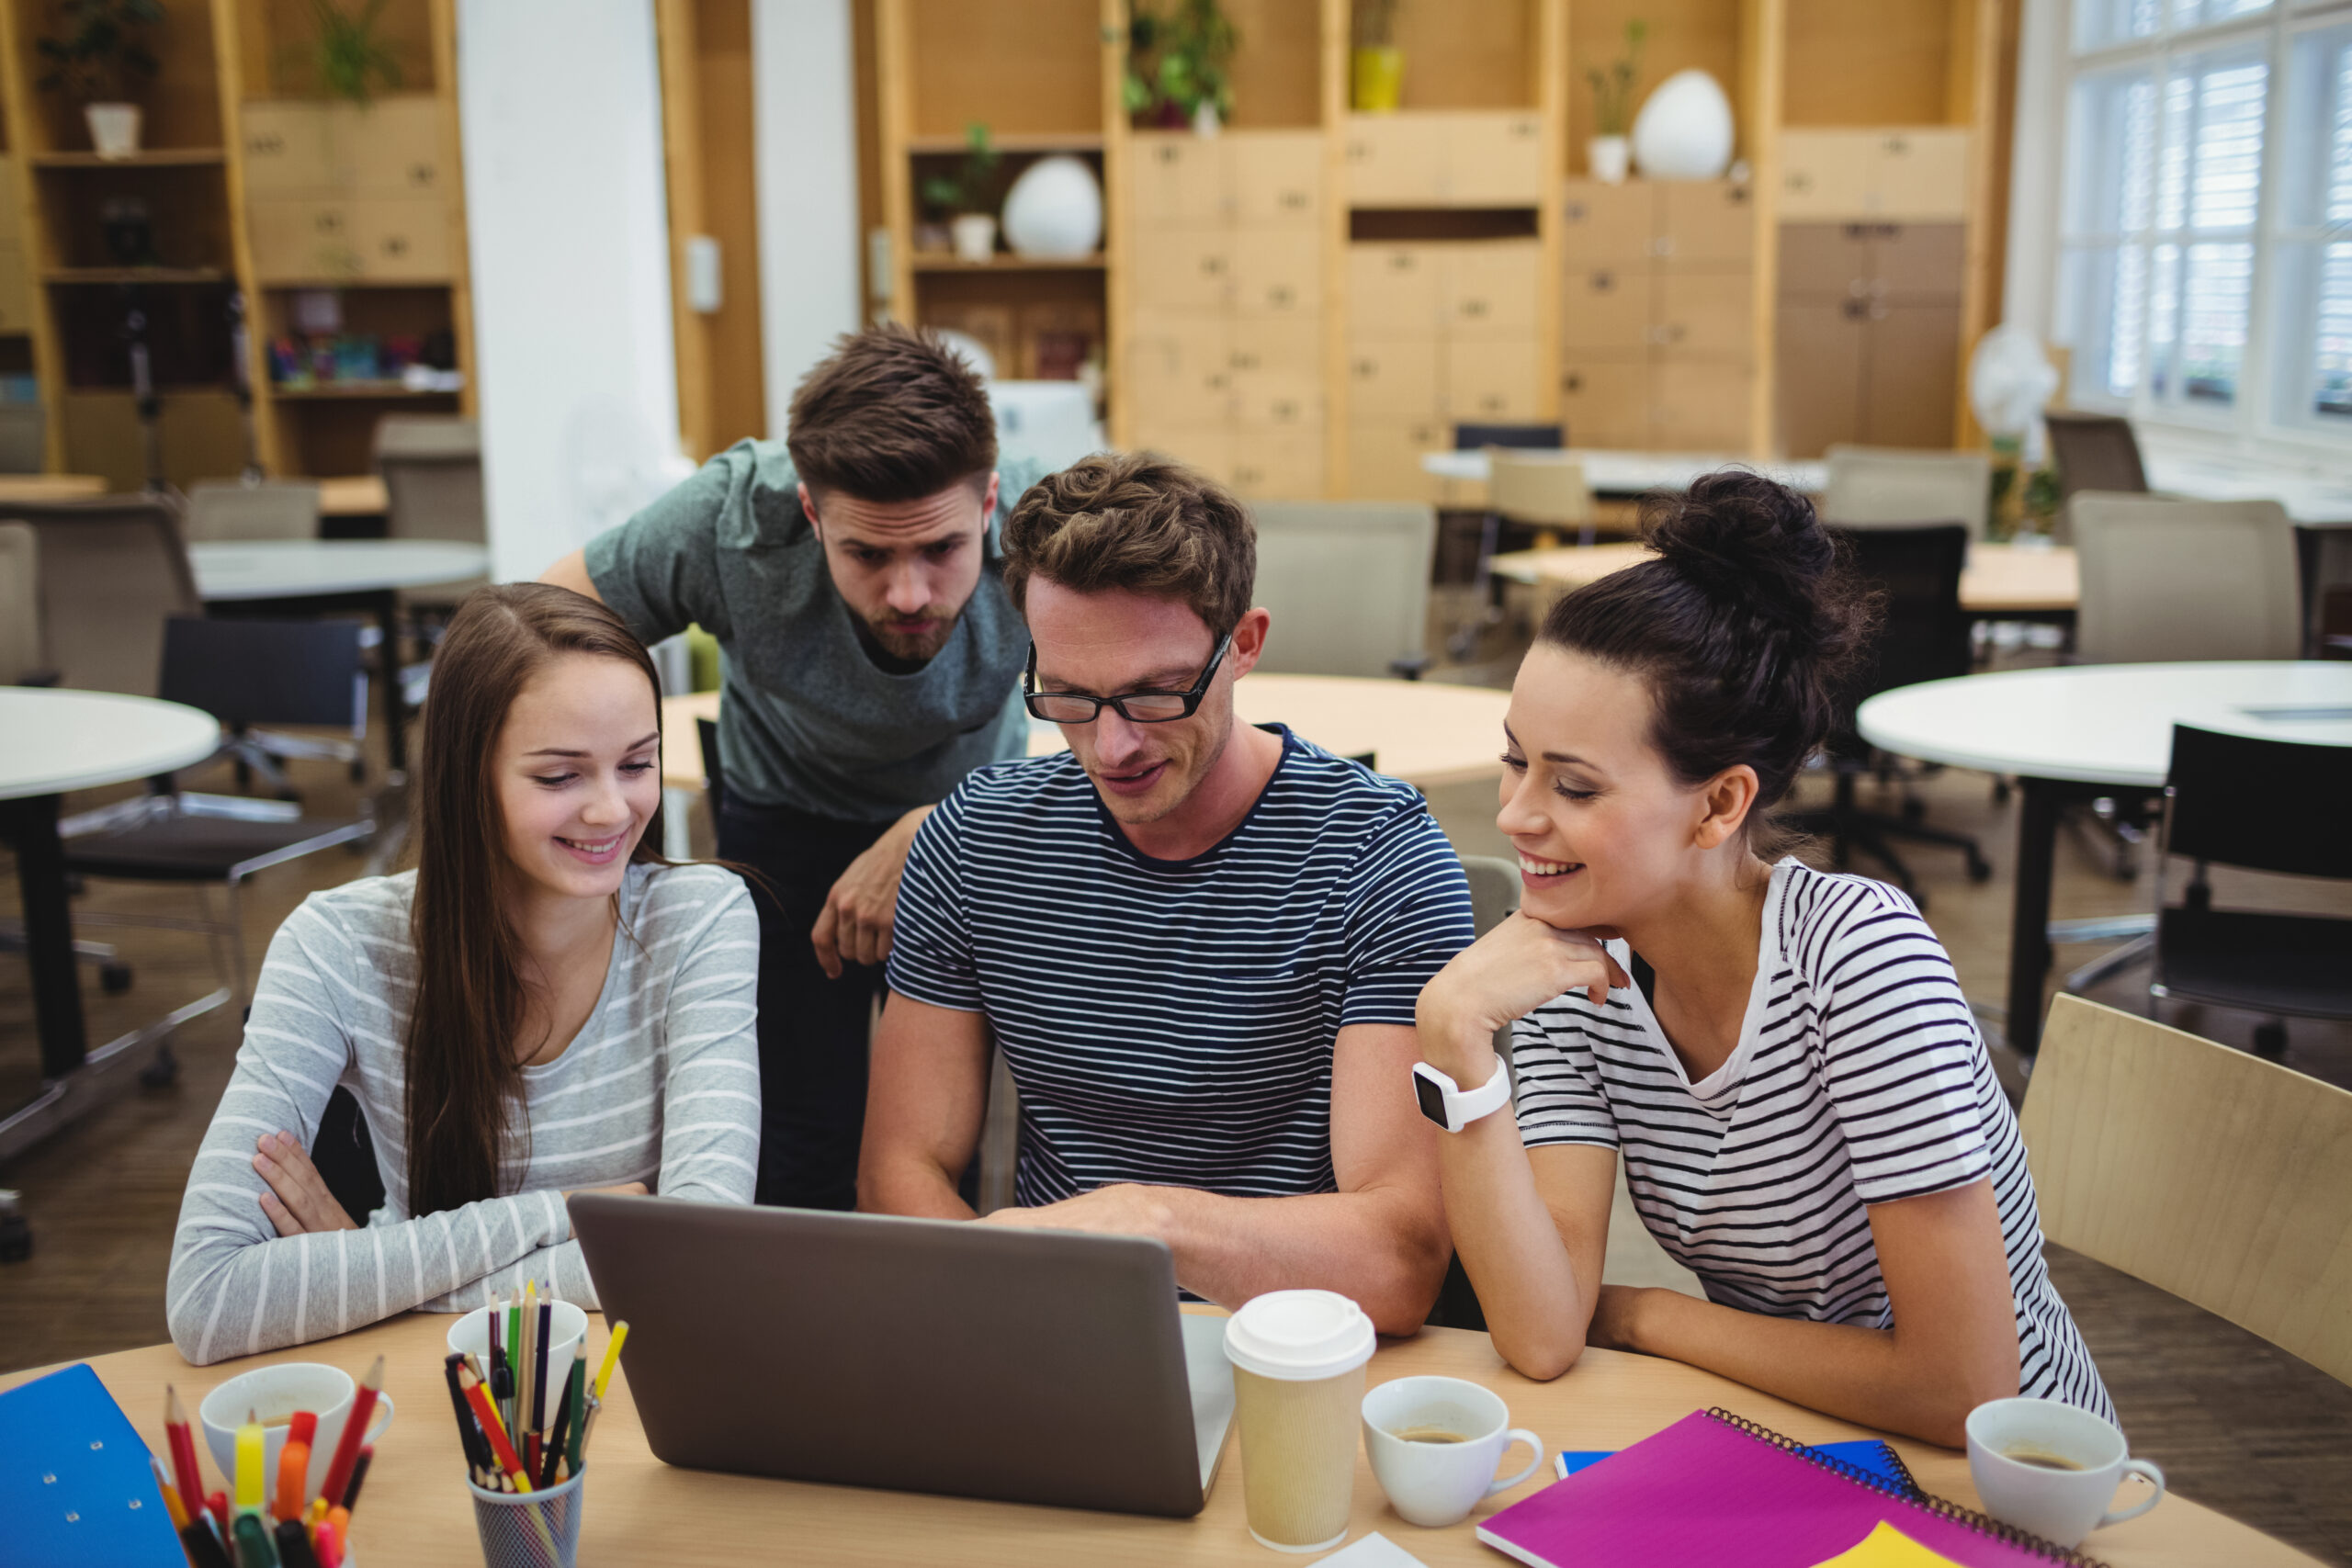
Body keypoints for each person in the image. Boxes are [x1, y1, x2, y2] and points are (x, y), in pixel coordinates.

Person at [1410, 471, 2112, 1444]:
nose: (1515, 813)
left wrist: (1650, 1314)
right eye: (1514, 758)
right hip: (1795, 1437)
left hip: (2002, 1480)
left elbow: (1964, 1388)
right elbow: (1540, 1335)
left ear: (1718, 804)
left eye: (1572, 785)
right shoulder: (1578, 974)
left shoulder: (1859, 967)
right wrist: (1454, 1045)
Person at [858, 453, 1474, 1335]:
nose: (1112, 747)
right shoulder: (978, 842)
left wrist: (1152, 1225)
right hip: (1046, 1322)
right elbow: (898, 1175)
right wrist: (1002, 1315)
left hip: (1294, 1347)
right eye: (1067, 696)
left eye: (1154, 694)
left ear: (1246, 645)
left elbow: (1401, 1258)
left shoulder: (1377, 855)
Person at [165, 585, 759, 1364]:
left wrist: (373, 1269)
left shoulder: (701, 916)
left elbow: (698, 1258)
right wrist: (569, 1212)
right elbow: (209, 1298)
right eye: (560, 777)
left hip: (632, 1383)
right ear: (465, 778)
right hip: (431, 1385)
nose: (614, 810)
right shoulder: (335, 943)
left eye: (638, 763)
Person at [543, 325, 1041, 1210]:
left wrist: (940, 825)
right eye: (868, 553)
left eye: (941, 549)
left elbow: (1134, 722)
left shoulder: (1050, 525)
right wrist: (621, 769)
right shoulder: (729, 522)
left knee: (934, 1139)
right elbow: (536, 630)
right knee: (801, 1129)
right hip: (786, 813)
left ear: (990, 502)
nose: (910, 594)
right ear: (811, 513)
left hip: (969, 816)